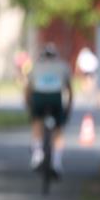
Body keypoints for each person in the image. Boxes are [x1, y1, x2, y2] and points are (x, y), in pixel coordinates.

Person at [25, 42, 73, 175]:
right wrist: (68, 107)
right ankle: (57, 162)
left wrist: (29, 107)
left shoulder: (35, 67)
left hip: (39, 97)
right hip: (55, 97)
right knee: (58, 129)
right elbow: (69, 90)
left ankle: (37, 154)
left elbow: (28, 90)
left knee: (37, 122)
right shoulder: (63, 66)